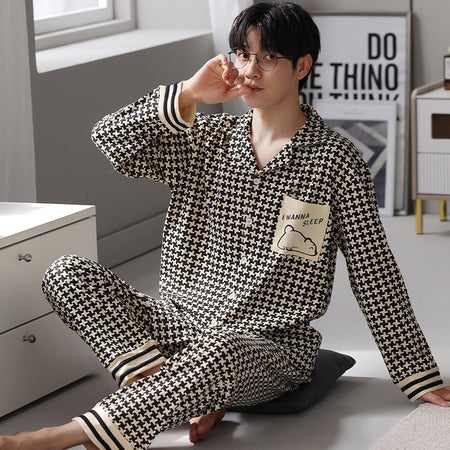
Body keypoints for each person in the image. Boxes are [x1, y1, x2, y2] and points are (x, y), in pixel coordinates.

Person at [1, 2, 449, 449]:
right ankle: (177, 389)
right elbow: (110, 139)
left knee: (221, 352)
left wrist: (417, 374)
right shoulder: (205, 141)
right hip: (179, 325)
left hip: (267, 348)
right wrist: (188, 94)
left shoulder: (336, 163)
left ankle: (60, 436)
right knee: (66, 272)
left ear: (301, 66)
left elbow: (374, 273)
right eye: (242, 54)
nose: (249, 70)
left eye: (268, 57)